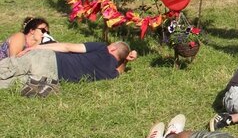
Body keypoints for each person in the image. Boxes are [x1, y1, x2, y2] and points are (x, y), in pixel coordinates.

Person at [0, 41, 137, 93]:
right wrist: (127, 60)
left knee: (7, 67)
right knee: (9, 84)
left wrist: (36, 47)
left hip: (49, 59)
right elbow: (121, 71)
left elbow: (67, 47)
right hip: (50, 79)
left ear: (112, 48)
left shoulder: (102, 48)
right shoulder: (111, 73)